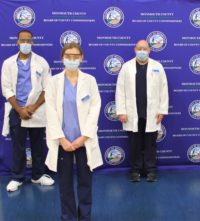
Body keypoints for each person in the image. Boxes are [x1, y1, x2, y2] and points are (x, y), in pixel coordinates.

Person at [45, 42, 103, 221]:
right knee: (65, 184)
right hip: (63, 142)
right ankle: (68, 217)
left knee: (85, 182)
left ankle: (85, 217)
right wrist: (62, 139)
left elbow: (95, 108)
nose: (71, 59)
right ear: (62, 58)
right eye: (68, 56)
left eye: (75, 56)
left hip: (84, 141)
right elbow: (51, 111)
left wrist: (83, 137)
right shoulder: (54, 82)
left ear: (81, 58)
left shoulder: (90, 81)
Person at [1, 30, 54, 192]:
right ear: (17, 42)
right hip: (17, 110)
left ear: (32, 42)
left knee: (38, 145)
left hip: (36, 110)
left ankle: (38, 175)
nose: (25, 43)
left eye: (28, 40)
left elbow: (47, 88)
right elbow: (6, 89)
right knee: (18, 146)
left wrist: (33, 107)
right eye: (22, 40)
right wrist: (19, 109)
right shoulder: (8, 63)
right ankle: (17, 177)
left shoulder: (41, 62)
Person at [115, 40, 169, 182]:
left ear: (150, 50)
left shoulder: (157, 67)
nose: (142, 51)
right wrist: (121, 111)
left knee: (150, 144)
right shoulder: (127, 67)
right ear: (135, 49)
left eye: (145, 48)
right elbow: (120, 91)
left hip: (152, 113)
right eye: (139, 48)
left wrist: (162, 110)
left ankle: (151, 170)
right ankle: (135, 171)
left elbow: (164, 90)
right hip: (132, 114)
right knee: (135, 144)